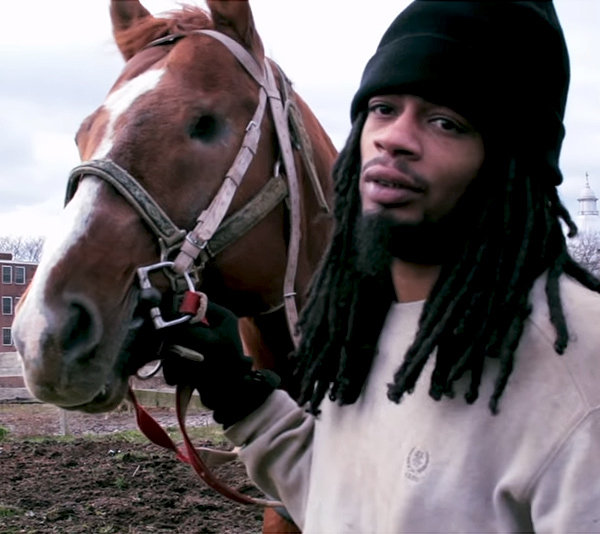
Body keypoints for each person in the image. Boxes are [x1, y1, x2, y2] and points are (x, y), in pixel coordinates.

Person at [161, 1, 600, 532]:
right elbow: (341, 504)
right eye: (384, 108)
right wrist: (238, 392)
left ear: (511, 162)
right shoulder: (358, 328)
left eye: (446, 121)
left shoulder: (578, 364)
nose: (393, 138)